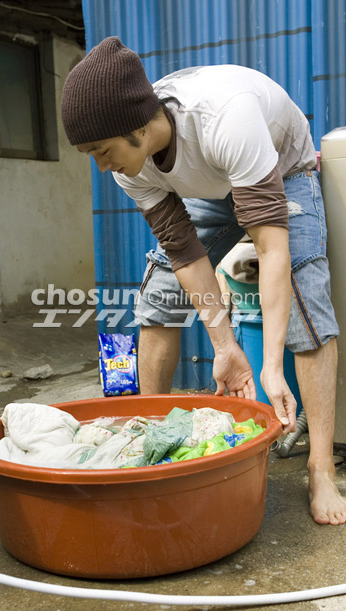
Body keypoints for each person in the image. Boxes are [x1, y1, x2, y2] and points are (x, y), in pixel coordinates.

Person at [61, 36, 344, 525]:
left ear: (134, 126)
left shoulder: (224, 117)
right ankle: (152, 440)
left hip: (280, 166)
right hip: (208, 186)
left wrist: (270, 366)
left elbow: (271, 248)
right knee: (161, 293)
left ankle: (321, 469)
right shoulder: (128, 166)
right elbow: (183, 249)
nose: (100, 165)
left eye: (100, 150)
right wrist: (224, 344)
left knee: (304, 294)